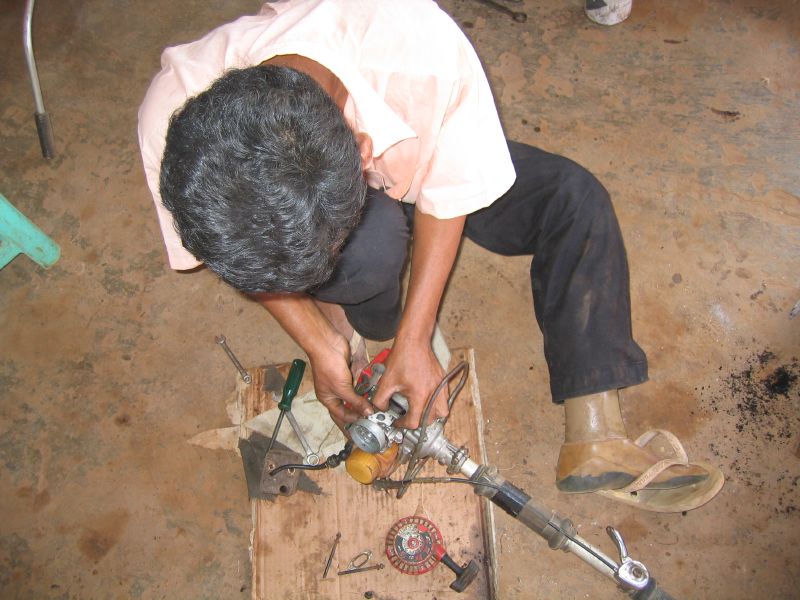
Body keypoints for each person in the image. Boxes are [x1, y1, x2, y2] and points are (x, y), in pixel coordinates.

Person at [138, 0, 721, 510]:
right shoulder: (175, 121)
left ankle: (595, 432)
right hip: (332, 174)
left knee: (574, 197)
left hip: (417, 135)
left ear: (363, 154)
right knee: (372, 254)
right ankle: (369, 314)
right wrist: (322, 343)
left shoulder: (426, 52)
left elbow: (448, 194)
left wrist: (416, 341)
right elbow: (240, 254)